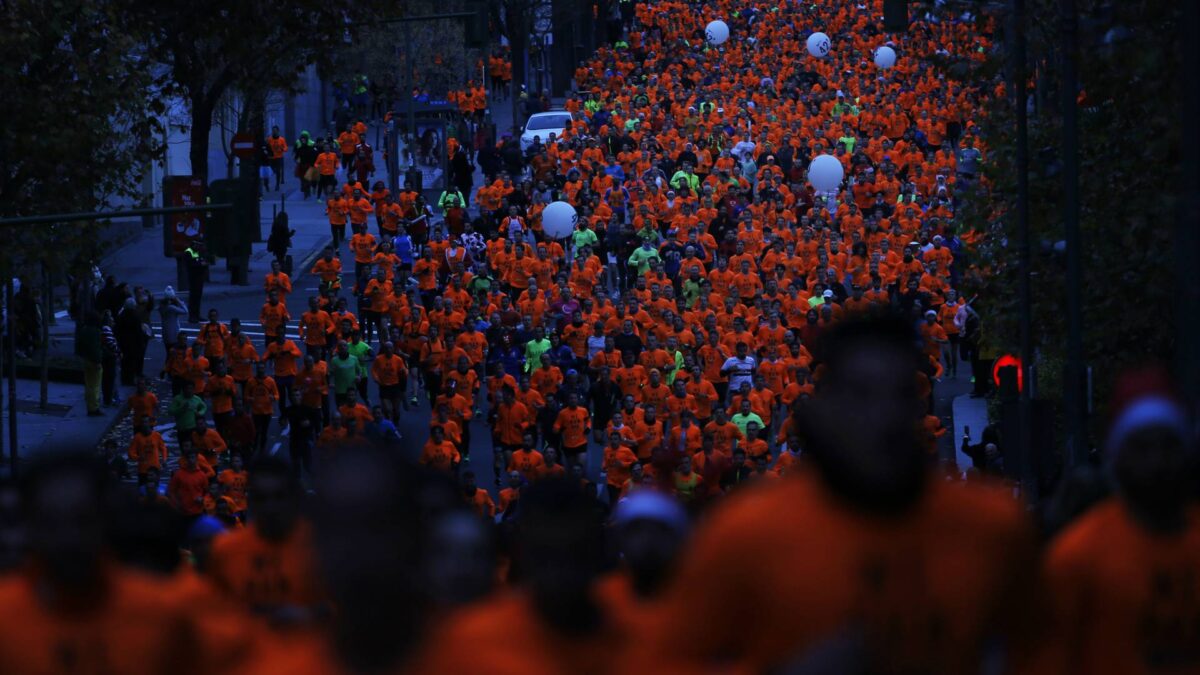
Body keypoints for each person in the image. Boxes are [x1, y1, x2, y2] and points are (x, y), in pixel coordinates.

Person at [641, 315, 1038, 673]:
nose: (882, 416)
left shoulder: (991, 526)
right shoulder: (747, 533)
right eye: (861, 395)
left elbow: (1047, 654)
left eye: (899, 394)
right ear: (826, 407)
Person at [1036, 369, 1200, 674]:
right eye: (1141, 449)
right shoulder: (1077, 559)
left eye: (1169, 446)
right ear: (1118, 457)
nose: (1157, 463)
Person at [183, 239, 209, 323]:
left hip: (199, 277)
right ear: (194, 244)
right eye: (198, 245)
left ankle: (197, 315)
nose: (199, 247)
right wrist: (201, 264)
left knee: (198, 297)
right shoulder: (188, 252)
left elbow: (201, 261)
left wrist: (203, 264)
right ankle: (192, 316)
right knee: (193, 297)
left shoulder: (197, 251)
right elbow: (191, 264)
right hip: (193, 278)